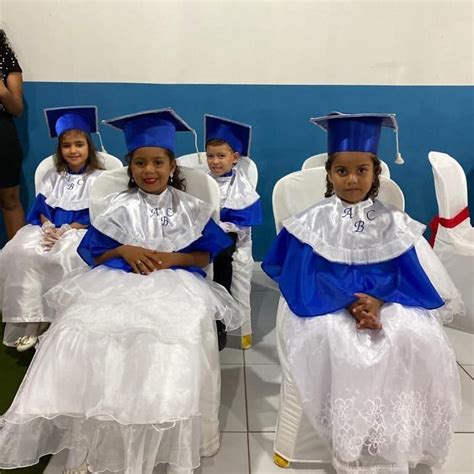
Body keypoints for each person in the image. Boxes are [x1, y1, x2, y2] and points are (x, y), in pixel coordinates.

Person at [0, 109, 243, 474]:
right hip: (118, 276)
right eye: (141, 162)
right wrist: (123, 250)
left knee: (167, 336)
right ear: (130, 168)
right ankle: (95, 427)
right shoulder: (117, 206)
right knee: (81, 328)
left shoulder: (190, 207)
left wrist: (164, 259)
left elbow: (203, 252)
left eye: (158, 162)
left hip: (174, 279)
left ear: (171, 166)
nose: (150, 170)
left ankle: (156, 419)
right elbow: (94, 250)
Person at [262, 112, 463, 473]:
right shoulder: (311, 222)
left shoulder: (394, 222)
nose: (352, 179)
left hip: (385, 302)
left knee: (412, 333)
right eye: (342, 171)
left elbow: (407, 275)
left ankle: (390, 432)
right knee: (333, 338)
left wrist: (380, 301)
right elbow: (301, 276)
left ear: (375, 174)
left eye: (361, 170)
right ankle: (345, 434)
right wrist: (350, 304)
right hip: (326, 306)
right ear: (329, 174)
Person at [0, 106, 104, 351]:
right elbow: (41, 207)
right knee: (20, 253)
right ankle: (31, 321)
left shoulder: (99, 179)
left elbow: (97, 215)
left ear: (88, 146)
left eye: (79, 144)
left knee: (67, 256)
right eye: (67, 146)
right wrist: (48, 227)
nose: (73, 150)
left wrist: (67, 229)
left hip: (79, 231)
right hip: (49, 229)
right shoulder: (53, 175)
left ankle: (62, 322)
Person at [205, 114, 262, 349]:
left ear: (235, 158)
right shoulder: (202, 180)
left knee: (221, 255)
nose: (215, 162)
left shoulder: (242, 187)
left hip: (231, 237)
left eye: (221, 156)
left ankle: (220, 314)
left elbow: (241, 221)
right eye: (210, 156)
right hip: (205, 231)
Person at [0, 29, 25, 239]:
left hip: (2, 133)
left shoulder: (4, 56)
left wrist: (0, 89)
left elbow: (17, 108)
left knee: (9, 198)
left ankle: (16, 263)